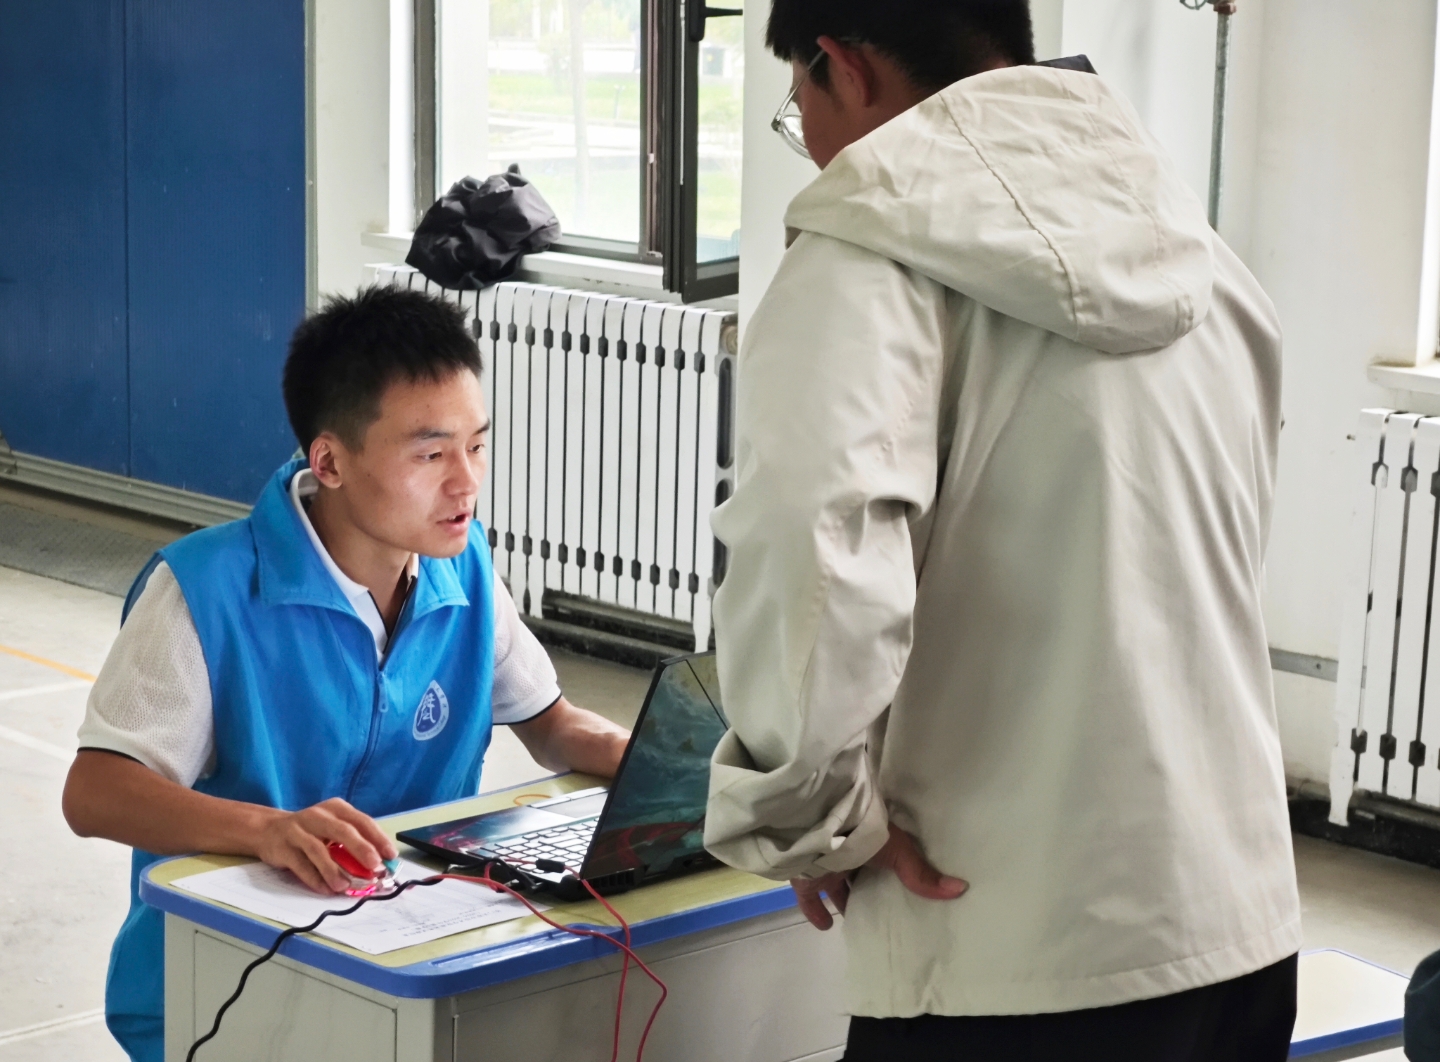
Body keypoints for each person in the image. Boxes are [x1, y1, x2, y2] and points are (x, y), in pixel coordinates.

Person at [702, 2, 1301, 1059]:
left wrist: (811, 820)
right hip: (1238, 922)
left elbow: (816, 562)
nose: (815, 148)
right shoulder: (1202, 255)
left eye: (800, 108)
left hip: (1009, 943)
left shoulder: (862, 265)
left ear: (844, 66)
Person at [61, 286, 630, 1062]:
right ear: (329, 460)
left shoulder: (462, 564)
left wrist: (658, 762)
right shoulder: (204, 590)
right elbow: (96, 792)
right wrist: (267, 830)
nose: (466, 483)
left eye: (477, 445)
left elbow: (554, 725)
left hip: (407, 961)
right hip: (223, 986)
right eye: (430, 454)